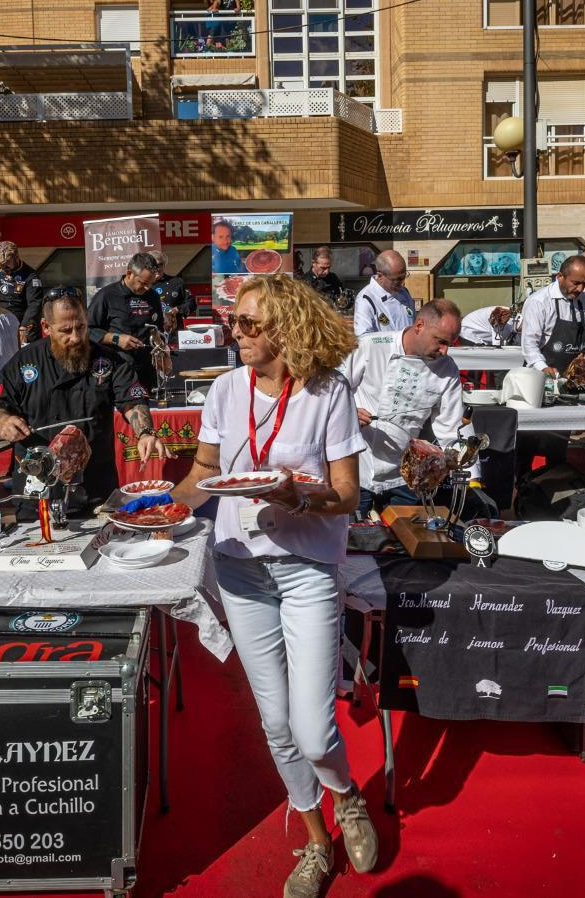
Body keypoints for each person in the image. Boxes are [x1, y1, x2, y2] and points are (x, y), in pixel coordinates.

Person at [166, 277, 379, 896]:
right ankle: (316, 841)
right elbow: (206, 472)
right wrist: (157, 509)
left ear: (286, 327)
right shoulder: (226, 389)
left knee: (314, 728)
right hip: (239, 567)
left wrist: (294, 494)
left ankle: (347, 795)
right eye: (234, 321)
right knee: (276, 724)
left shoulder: (327, 392)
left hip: (307, 567)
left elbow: (346, 497)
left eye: (250, 323)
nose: (237, 332)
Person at [0, 290, 165, 509]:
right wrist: (3, 420)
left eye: (81, 327)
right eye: (65, 330)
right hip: (37, 484)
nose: (76, 337)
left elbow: (132, 400)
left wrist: (145, 432)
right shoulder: (24, 362)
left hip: (94, 486)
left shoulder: (109, 360)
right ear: (45, 327)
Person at [342, 300, 480, 515]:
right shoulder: (370, 346)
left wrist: (470, 474)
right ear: (419, 326)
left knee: (404, 542)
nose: (444, 350)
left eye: (450, 344)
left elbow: (452, 427)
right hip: (356, 467)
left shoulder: (447, 369)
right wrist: (347, 412)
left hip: (404, 475)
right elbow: (331, 392)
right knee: (352, 540)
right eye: (440, 341)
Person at [89, 252, 166, 391]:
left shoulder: (153, 296)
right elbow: (88, 330)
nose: (147, 288)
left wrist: (164, 352)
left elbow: (157, 330)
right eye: (142, 283)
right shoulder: (106, 295)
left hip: (145, 370)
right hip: (115, 368)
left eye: (150, 283)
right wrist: (116, 338)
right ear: (129, 273)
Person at [519, 257, 585, 376]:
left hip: (576, 377)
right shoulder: (539, 302)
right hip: (541, 376)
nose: (580, 289)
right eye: (575, 283)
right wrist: (543, 368)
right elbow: (530, 344)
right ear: (560, 276)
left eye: (584, 284)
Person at [0, 240, 45, 344]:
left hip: (23, 326)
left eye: (6, 263)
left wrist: (24, 327)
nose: (3, 266)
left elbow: (35, 304)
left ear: (16, 257)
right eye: (0, 264)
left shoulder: (31, 276)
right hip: (2, 325)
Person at [352, 250, 415, 335]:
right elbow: (363, 338)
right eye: (397, 279)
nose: (403, 283)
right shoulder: (366, 299)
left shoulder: (404, 292)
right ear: (380, 276)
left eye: (404, 277)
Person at [151, 252, 196, 332]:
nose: (156, 269)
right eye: (152, 266)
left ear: (164, 265)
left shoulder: (177, 282)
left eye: (159, 265)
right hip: (149, 332)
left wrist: (178, 309)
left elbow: (191, 303)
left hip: (174, 331)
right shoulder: (141, 285)